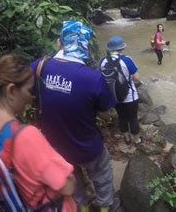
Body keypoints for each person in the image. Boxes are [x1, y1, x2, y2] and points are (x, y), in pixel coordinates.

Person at [32, 20, 118, 212]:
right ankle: (105, 207)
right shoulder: (92, 78)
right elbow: (105, 114)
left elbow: (30, 93)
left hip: (57, 145)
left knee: (72, 176)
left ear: (59, 42)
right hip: (88, 146)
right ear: (85, 47)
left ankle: (82, 206)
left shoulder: (40, 66)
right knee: (102, 175)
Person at [0, 54, 77, 211]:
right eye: (30, 90)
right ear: (12, 90)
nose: (31, 97)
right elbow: (67, 187)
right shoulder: (27, 137)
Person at [99, 36, 141, 145]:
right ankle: (136, 140)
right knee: (133, 118)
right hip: (129, 96)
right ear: (122, 47)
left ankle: (126, 138)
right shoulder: (126, 59)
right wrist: (125, 80)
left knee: (122, 117)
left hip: (114, 96)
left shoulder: (102, 61)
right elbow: (136, 77)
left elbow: (101, 77)